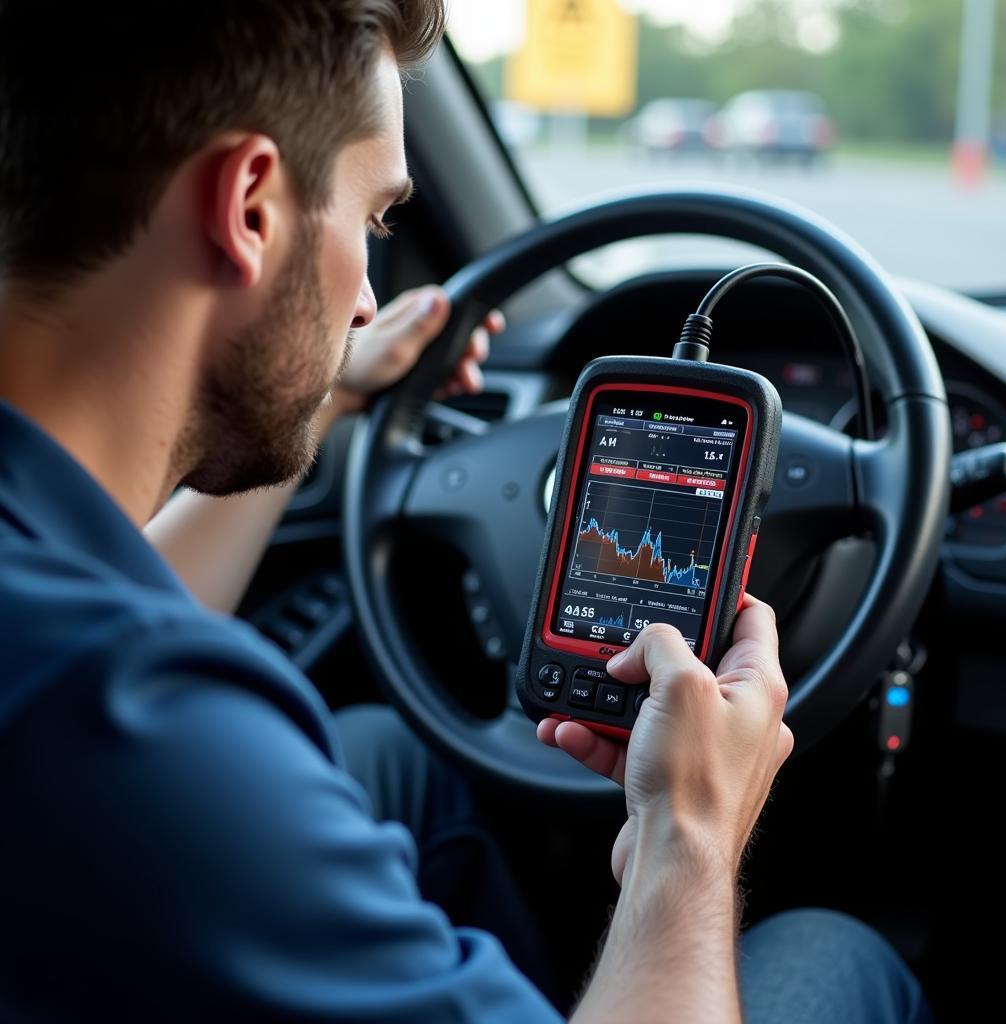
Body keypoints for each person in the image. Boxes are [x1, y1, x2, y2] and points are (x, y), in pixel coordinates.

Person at [0, 2, 931, 1021]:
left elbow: (121, 601)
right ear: (251, 207)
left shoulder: (56, 620)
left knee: (390, 755)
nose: (364, 297)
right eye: (374, 222)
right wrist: (690, 838)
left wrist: (320, 389)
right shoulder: (152, 731)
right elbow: (128, 677)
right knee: (833, 951)